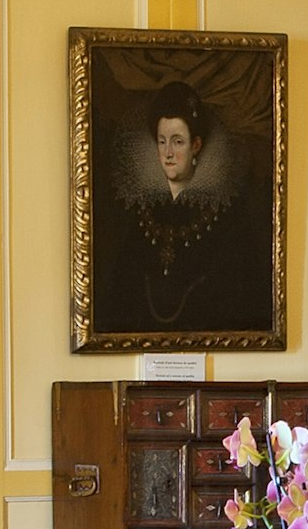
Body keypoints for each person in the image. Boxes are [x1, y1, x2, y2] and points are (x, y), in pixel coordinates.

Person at [96, 83, 272, 339]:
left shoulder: (228, 220)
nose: (168, 153)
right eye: (162, 141)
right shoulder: (141, 215)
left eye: (178, 142)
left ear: (196, 145)